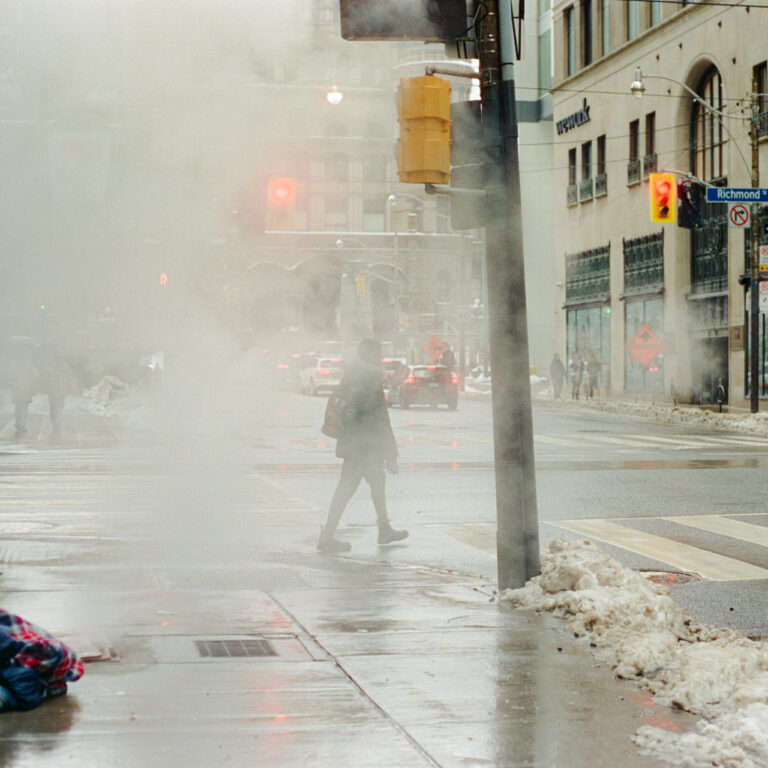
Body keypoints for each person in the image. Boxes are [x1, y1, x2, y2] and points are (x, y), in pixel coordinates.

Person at [318, 339, 408, 553]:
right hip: (364, 443)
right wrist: (390, 453)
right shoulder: (371, 376)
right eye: (379, 351)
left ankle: (384, 528)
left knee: (375, 480)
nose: (382, 355)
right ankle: (328, 536)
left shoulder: (352, 374)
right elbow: (378, 416)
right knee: (347, 487)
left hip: (354, 440)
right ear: (371, 353)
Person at [37, 346, 74, 436]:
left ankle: (56, 425)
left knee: (54, 409)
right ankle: (57, 425)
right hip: (61, 391)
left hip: (53, 391)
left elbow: (45, 377)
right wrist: (68, 388)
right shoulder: (66, 366)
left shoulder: (51, 366)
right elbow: (70, 378)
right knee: (59, 409)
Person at [9, 339, 38, 436]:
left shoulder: (16, 362)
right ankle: (21, 424)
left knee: (19, 406)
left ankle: (19, 424)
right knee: (23, 406)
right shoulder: (29, 363)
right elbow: (34, 375)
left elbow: (13, 375)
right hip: (25, 387)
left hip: (19, 387)